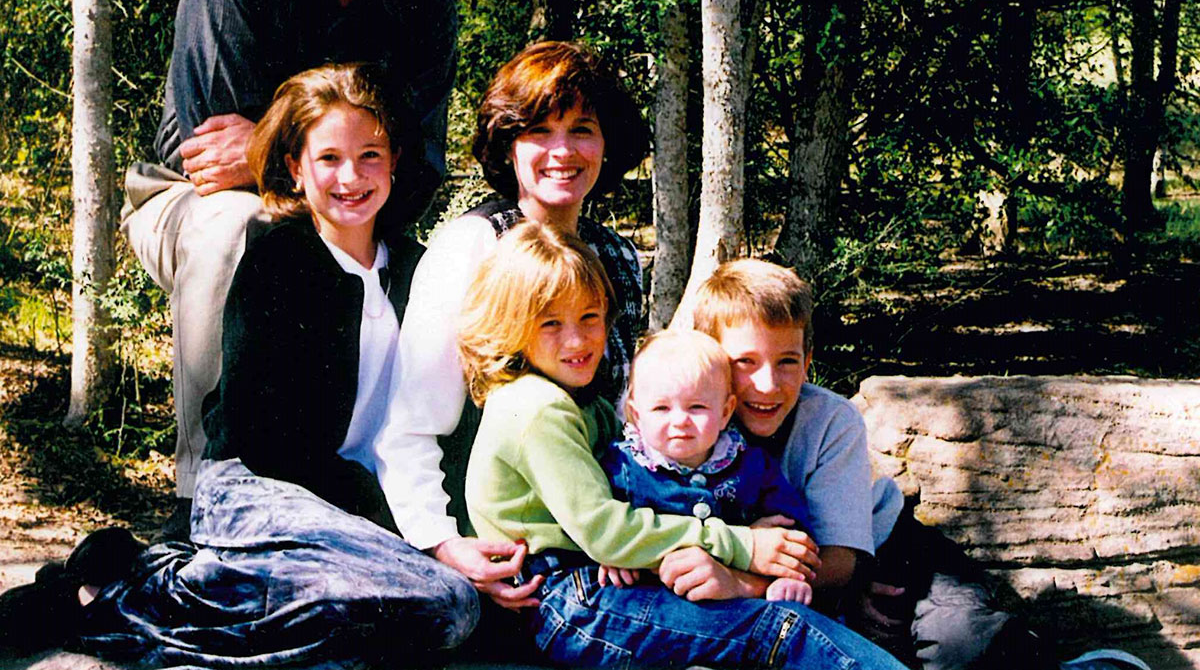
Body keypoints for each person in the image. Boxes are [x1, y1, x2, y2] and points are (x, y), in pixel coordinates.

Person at [1, 65, 518, 665]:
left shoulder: (414, 268)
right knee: (442, 603)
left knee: (442, 608)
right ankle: (115, 597)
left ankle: (132, 571)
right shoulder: (279, 261)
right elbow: (264, 441)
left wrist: (444, 525)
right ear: (296, 169)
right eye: (329, 158)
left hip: (357, 509)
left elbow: (440, 416)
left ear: (395, 160)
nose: (351, 177)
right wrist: (399, 529)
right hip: (257, 489)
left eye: (370, 155)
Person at [120, 0, 457, 535]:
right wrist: (327, 165)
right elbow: (207, 159)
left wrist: (275, 148)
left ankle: (394, 501)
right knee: (240, 231)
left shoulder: (426, 12)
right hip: (182, 202)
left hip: (348, 202)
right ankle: (207, 496)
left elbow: (420, 175)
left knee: (446, 273)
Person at [460, 222, 908, 670]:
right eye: (551, 323)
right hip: (568, 600)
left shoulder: (584, 404)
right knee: (780, 630)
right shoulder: (538, 408)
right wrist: (743, 546)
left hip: (598, 587)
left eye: (590, 317)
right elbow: (606, 530)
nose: (576, 339)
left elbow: (620, 513)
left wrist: (655, 561)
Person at [675, 258, 1149, 670]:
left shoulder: (829, 420)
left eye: (787, 362)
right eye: (744, 362)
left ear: (809, 359)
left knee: (959, 641)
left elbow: (841, 561)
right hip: (783, 575)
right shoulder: (686, 424)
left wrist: (741, 581)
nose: (767, 384)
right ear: (710, 358)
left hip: (886, 548)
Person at [371, 39, 648, 555]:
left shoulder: (618, 257)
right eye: (539, 132)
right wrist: (444, 546)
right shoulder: (474, 246)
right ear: (508, 146)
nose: (562, 151)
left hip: (599, 539)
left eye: (581, 131)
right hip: (490, 544)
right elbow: (410, 428)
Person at [601, 329, 815, 604]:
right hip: (650, 600)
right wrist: (608, 554)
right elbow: (599, 523)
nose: (680, 421)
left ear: (726, 411)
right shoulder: (623, 466)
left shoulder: (750, 463)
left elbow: (789, 524)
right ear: (637, 414)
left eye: (697, 407)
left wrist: (786, 575)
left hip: (733, 595)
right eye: (661, 409)